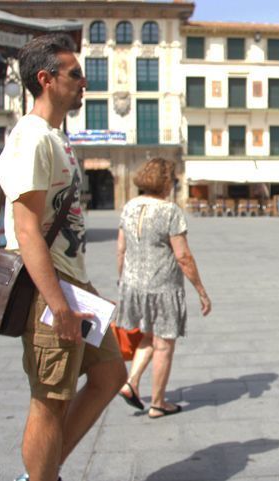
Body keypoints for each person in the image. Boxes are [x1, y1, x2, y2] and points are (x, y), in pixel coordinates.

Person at [0, 34, 127, 481]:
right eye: (75, 74)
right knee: (50, 398)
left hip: (72, 284)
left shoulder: (53, 136)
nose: (84, 82)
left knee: (110, 374)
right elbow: (26, 227)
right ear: (46, 79)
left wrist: (82, 290)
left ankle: (44, 473)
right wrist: (58, 303)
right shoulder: (31, 138)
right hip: (48, 291)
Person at [115, 158, 211, 419]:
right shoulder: (170, 211)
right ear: (166, 183)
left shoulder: (129, 207)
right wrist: (201, 290)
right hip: (162, 288)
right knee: (164, 344)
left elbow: (121, 248)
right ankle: (158, 403)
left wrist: (121, 279)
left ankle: (131, 383)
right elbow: (183, 257)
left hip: (133, 285)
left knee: (147, 336)